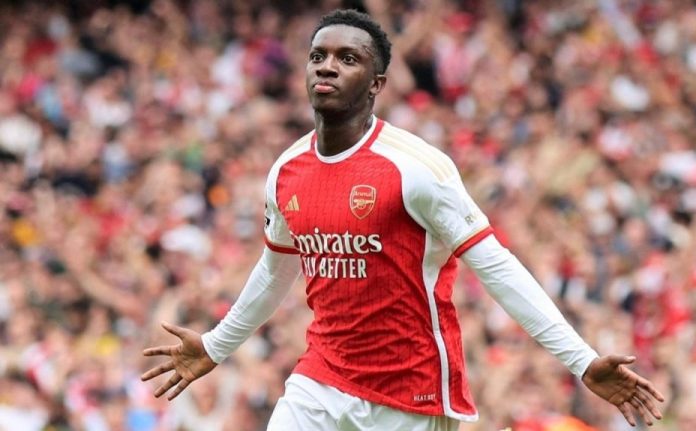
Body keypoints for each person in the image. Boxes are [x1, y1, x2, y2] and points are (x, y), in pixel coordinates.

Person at [141, 9, 664, 430]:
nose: (327, 67)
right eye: (318, 56)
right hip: (319, 380)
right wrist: (217, 345)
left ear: (376, 83)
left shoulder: (417, 168)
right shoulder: (286, 170)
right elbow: (276, 269)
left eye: (347, 58)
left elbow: (498, 268)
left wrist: (580, 360)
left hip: (410, 393)